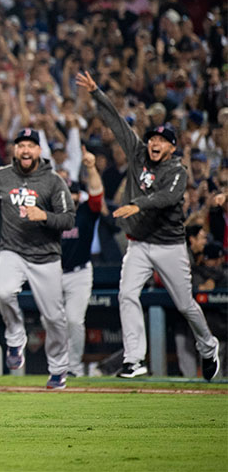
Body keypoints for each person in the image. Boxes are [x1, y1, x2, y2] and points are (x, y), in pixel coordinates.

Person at [76, 71, 220, 381]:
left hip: (169, 245)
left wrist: (137, 204)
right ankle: (133, 359)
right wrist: (97, 93)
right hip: (139, 243)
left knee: (184, 304)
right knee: (126, 294)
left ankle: (208, 346)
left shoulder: (176, 170)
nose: (154, 143)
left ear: (171, 148)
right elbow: (116, 122)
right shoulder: (139, 152)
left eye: (162, 141)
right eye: (153, 138)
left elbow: (169, 198)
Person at [0, 127, 75, 390]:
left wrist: (44, 216)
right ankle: (15, 336)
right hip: (12, 250)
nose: (25, 150)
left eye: (31, 145)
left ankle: (57, 369)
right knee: (4, 291)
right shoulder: (2, 176)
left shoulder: (53, 181)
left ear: (39, 151)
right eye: (21, 145)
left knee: (53, 318)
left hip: (46, 256)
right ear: (15, 150)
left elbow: (68, 219)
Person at [61, 147, 104, 377]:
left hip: (79, 273)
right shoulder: (52, 214)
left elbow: (97, 192)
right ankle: (57, 366)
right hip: (53, 274)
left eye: (73, 193)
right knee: (52, 322)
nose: (70, 197)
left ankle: (74, 368)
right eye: (65, 193)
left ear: (79, 196)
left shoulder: (86, 211)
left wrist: (90, 168)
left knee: (75, 320)